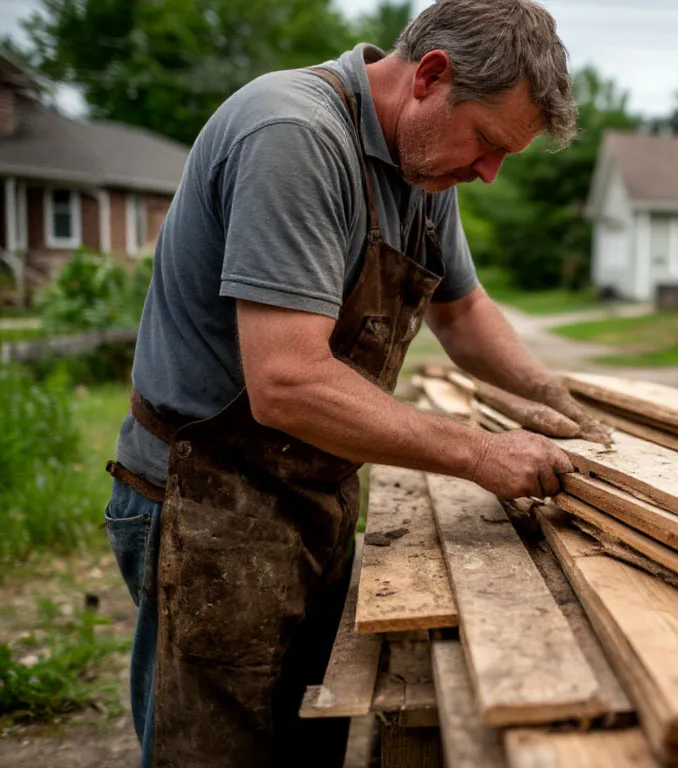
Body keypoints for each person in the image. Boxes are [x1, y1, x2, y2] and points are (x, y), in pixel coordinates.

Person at [101, 1, 604, 764]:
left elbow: (464, 314)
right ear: (431, 76)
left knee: (307, 739)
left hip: (309, 490)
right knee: (215, 750)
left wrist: (564, 405)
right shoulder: (294, 136)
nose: (491, 171)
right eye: (491, 144)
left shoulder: (423, 167)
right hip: (206, 499)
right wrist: (476, 453)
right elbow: (288, 382)